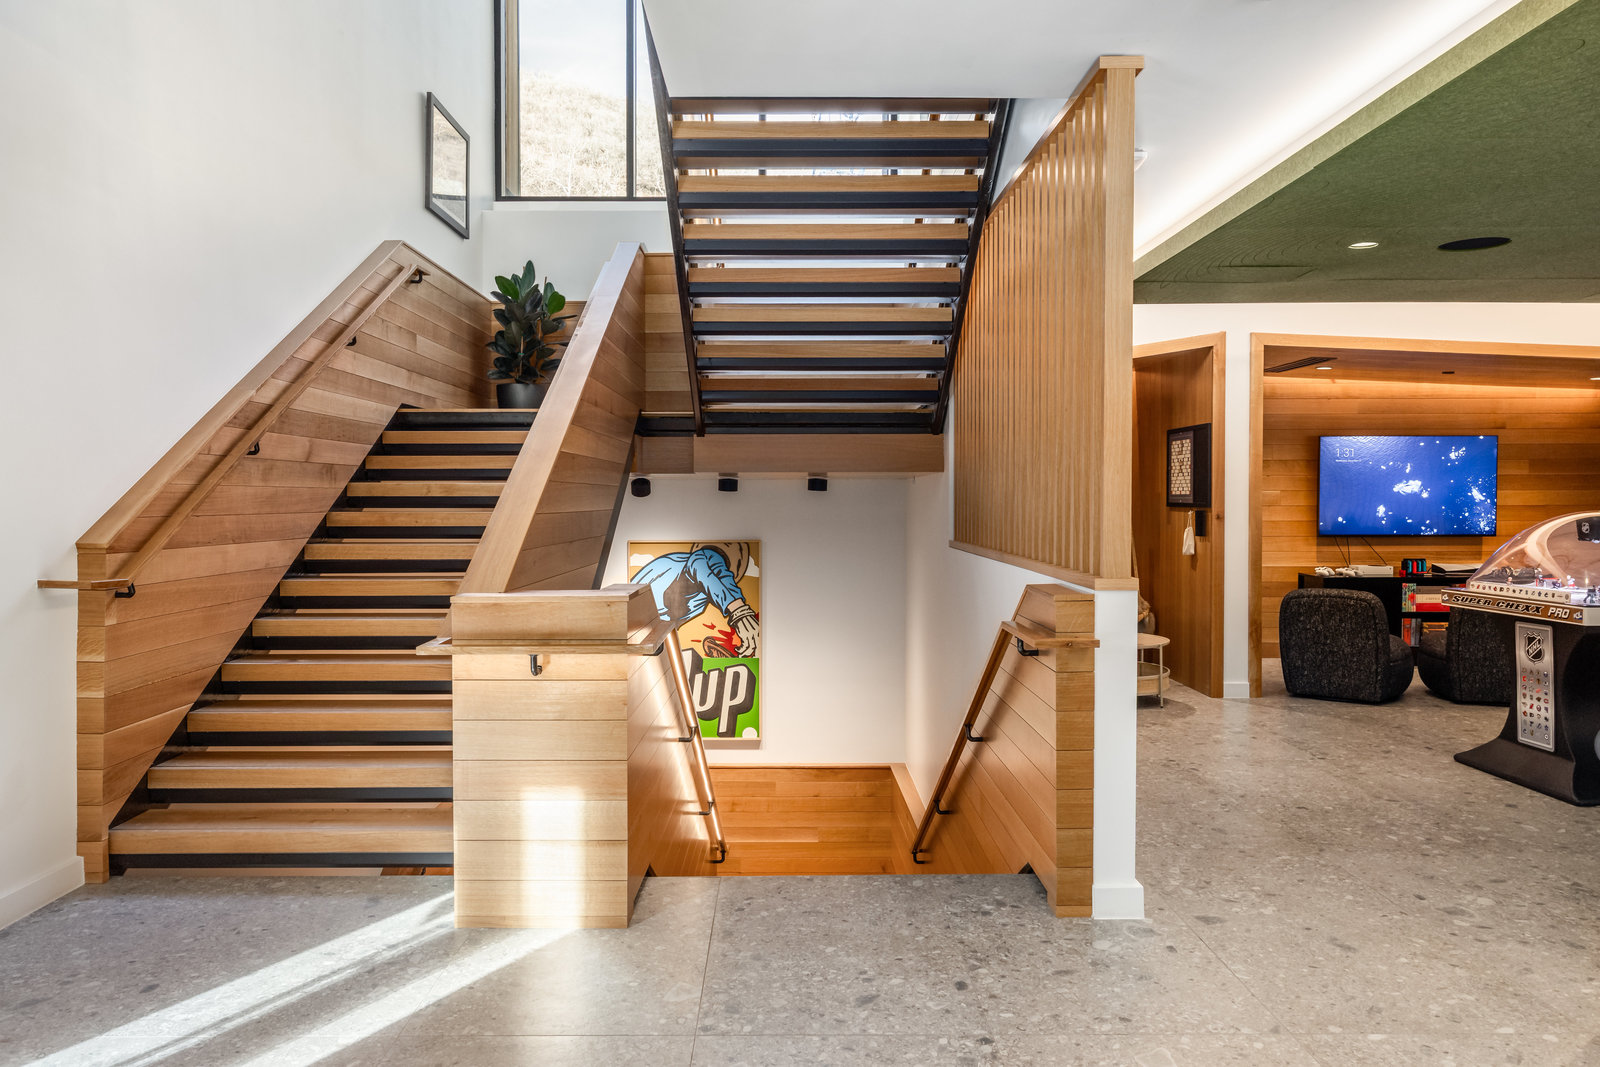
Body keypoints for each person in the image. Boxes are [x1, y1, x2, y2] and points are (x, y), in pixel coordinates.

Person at [632, 541, 759, 657]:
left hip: (644, 637)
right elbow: (702, 562)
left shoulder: (701, 598)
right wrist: (739, 610)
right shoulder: (695, 561)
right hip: (636, 626)